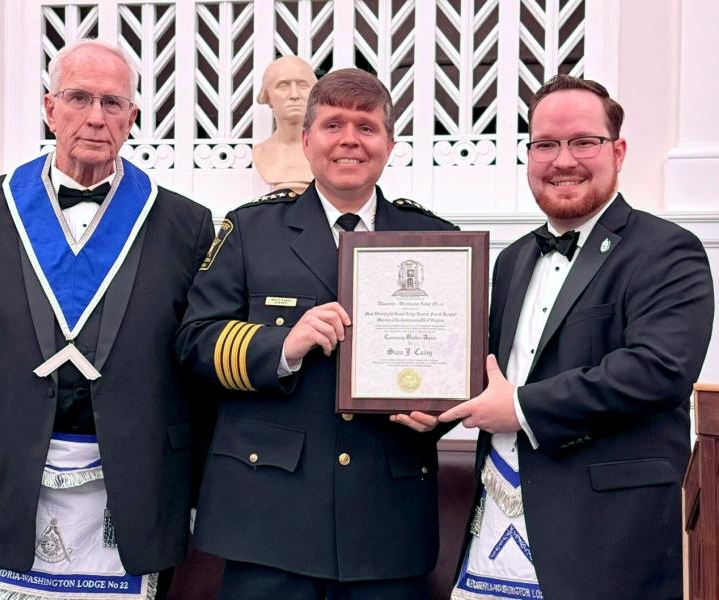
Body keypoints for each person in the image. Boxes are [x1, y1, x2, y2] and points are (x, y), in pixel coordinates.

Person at [399, 74, 714, 600]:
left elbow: (658, 370)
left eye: (582, 142)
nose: (562, 160)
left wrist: (520, 408)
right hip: (494, 524)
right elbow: (490, 372)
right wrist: (433, 401)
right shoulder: (512, 257)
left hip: (606, 543)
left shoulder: (668, 250)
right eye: (545, 144)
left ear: (618, 151)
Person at [0, 40, 214, 600]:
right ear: (50, 109)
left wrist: (197, 489)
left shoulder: (186, 225)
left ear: (133, 117)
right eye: (79, 98)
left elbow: (199, 366)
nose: (95, 117)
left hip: (135, 492)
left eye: (112, 102)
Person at [178, 68, 459, 599]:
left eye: (366, 127)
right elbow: (194, 344)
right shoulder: (248, 231)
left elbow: (456, 364)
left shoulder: (437, 241)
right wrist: (279, 346)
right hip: (270, 520)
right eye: (333, 125)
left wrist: (438, 414)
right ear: (306, 140)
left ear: (389, 144)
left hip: (386, 521)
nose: (350, 139)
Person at [252, 55, 317, 194]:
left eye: (302, 85)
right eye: (283, 86)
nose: (294, 94)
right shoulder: (260, 153)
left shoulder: (324, 153)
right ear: (267, 95)